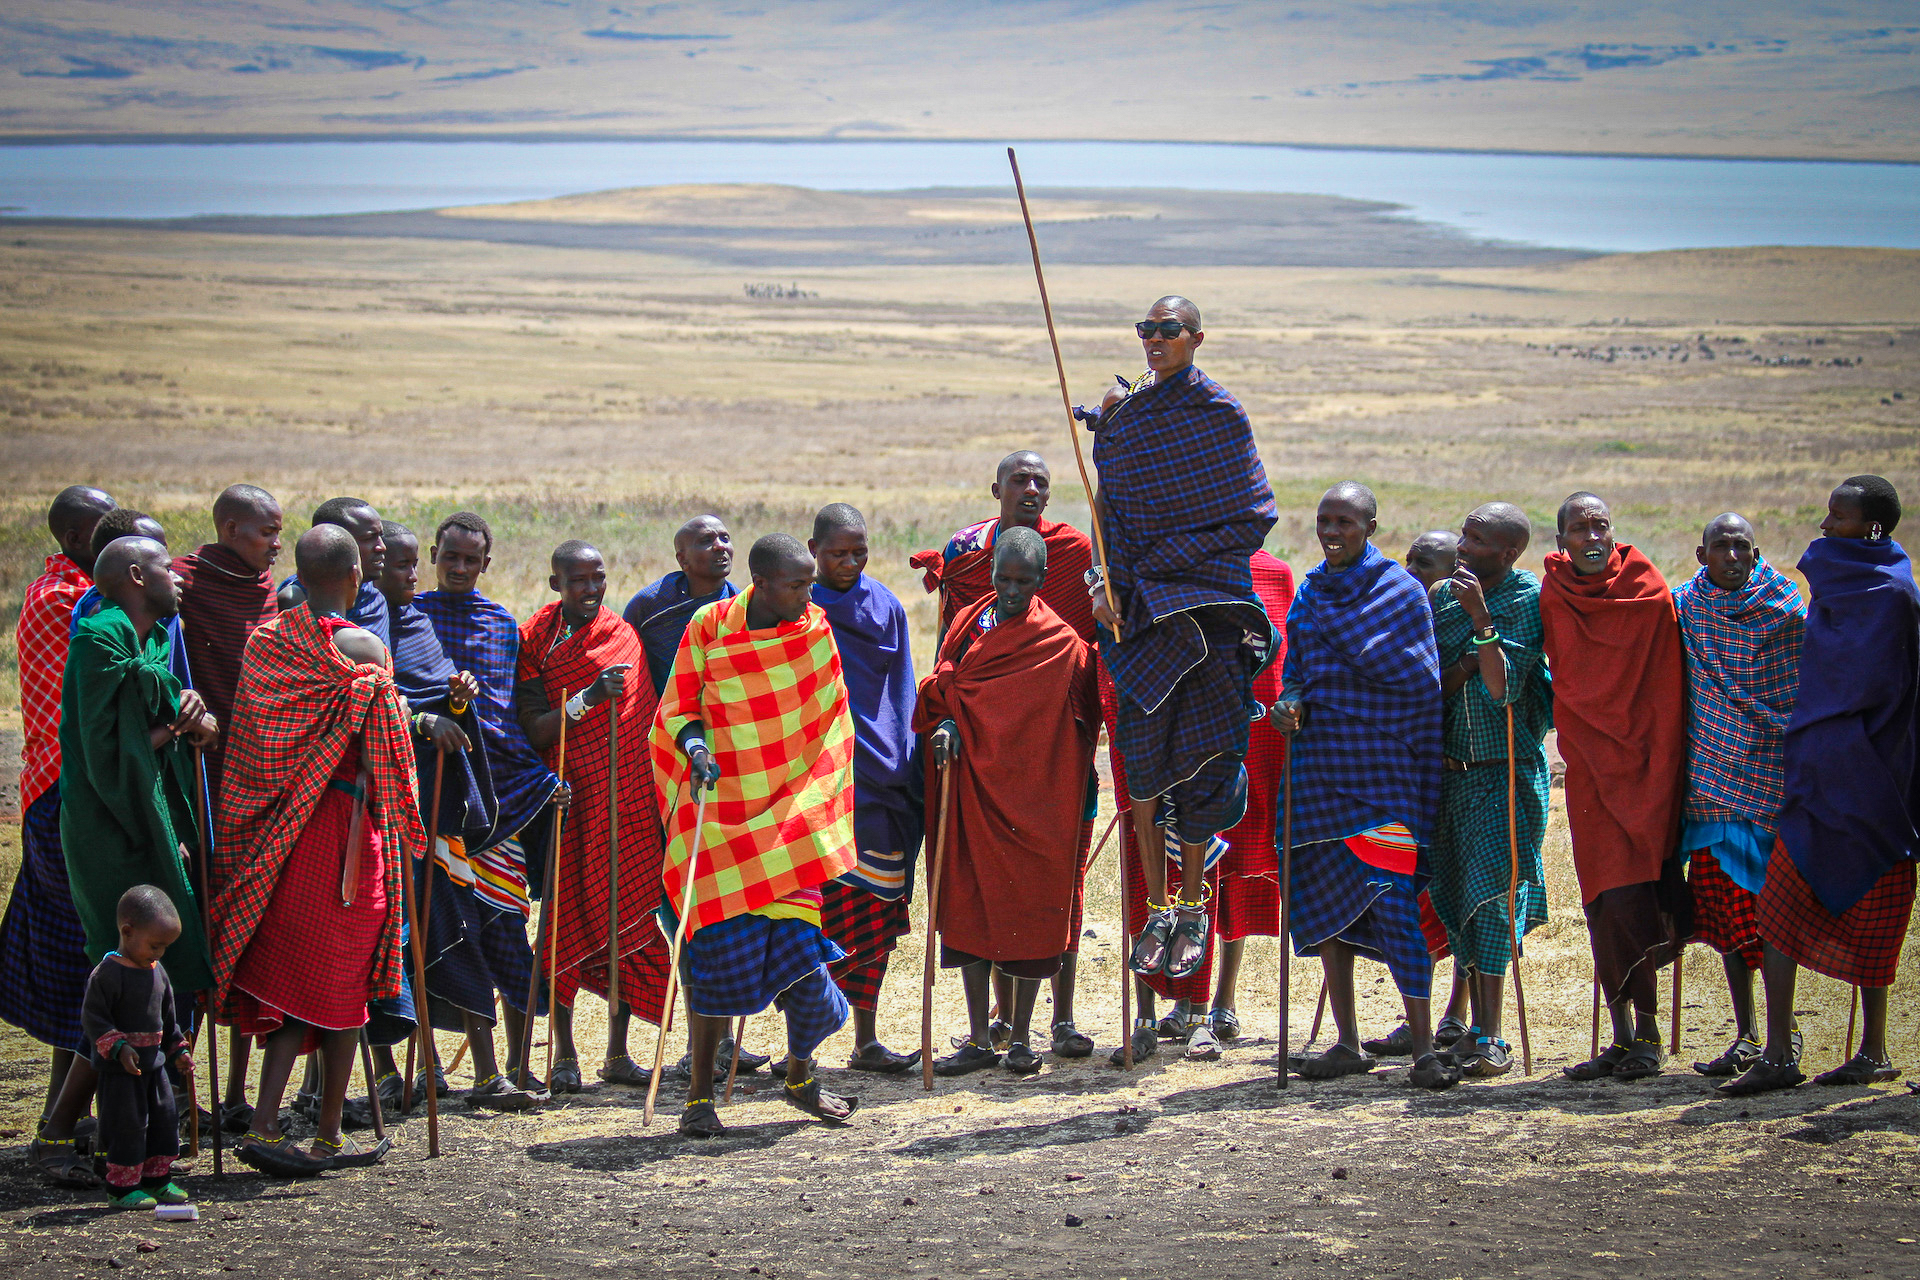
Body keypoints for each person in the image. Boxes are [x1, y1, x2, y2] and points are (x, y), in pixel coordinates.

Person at [1085, 297, 1278, 1066]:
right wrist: (1106, 579)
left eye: (1170, 332)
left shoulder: (1220, 414)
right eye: (1146, 332)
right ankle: (1155, 911)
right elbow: (1111, 507)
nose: (1156, 341)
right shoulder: (1126, 421)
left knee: (1205, 758)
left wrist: (1169, 563)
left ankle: (1192, 903)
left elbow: (1253, 513)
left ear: (1197, 339)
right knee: (1143, 754)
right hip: (1139, 611)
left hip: (1211, 601)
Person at [213, 524, 420, 1175]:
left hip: (281, 837)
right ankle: (270, 1126)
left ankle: (329, 1132)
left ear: (299, 576)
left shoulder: (266, 643)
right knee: (320, 981)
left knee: (338, 986)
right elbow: (391, 756)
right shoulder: (362, 649)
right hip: (344, 840)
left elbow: (255, 749)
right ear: (357, 577)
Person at [652, 533, 862, 1137]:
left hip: (790, 823)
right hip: (718, 820)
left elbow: (828, 723)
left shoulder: (815, 631)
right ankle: (697, 1101)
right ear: (762, 584)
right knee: (712, 966)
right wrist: (694, 745)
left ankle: (800, 1078)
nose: (808, 593)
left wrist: (811, 800)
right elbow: (678, 706)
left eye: (808, 584)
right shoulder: (710, 625)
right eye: (797, 585)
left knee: (803, 963)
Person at [1725, 477, 1919, 1095]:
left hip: (1874, 783)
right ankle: (1779, 1052)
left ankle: (1875, 1050)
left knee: (1877, 916)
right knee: (1777, 907)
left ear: (1872, 529)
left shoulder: (1893, 595)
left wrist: (1855, 754)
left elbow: (1888, 691)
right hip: (1814, 777)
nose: (1824, 524)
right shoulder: (1836, 588)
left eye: (1837, 516)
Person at [911, 450, 1101, 1060]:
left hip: (1033, 796)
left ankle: (1022, 1036)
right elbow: (944, 680)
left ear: (1045, 583)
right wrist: (943, 725)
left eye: (1024, 582)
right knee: (970, 903)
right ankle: (976, 1036)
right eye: (1004, 579)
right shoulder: (968, 620)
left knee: (1026, 904)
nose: (1012, 590)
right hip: (971, 785)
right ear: (992, 571)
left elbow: (1083, 716)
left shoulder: (1062, 642)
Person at [1270, 484, 1454, 1089]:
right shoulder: (1311, 593)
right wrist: (1289, 703)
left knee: (1394, 905)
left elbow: (1417, 684)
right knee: (1325, 912)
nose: (1332, 531)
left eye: (1344, 521)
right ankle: (1347, 1041)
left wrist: (1342, 698)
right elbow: (1295, 672)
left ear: (1371, 526)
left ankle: (1424, 1046)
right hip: (1320, 774)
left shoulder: (1400, 593)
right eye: (1324, 521)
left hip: (1381, 779)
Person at [417, 512, 567, 1102]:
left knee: (507, 935)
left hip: (497, 803)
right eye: (449, 557)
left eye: (470, 560)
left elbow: (502, 721)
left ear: (487, 563)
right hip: (434, 802)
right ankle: (434, 1068)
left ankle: (518, 1067)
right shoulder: (412, 617)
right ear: (435, 554)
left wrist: (539, 781)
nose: (458, 568)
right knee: (444, 936)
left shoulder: (502, 626)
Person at [1541, 492, 1689, 1082]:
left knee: (1639, 896)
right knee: (1603, 901)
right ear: (1562, 543)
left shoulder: (1647, 587)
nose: (1593, 537)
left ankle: (1650, 1036)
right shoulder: (1553, 592)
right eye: (1581, 529)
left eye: (1601, 525)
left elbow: (1665, 674)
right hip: (1590, 771)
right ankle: (1623, 1036)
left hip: (1648, 767)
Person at [518, 540, 671, 1091]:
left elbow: (642, 731)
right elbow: (535, 727)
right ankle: (562, 1056)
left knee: (624, 915)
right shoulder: (535, 639)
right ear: (555, 583)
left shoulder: (623, 637)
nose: (589, 589)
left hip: (624, 802)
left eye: (597, 578)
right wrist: (584, 699)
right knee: (563, 922)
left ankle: (617, 1053)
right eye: (576, 580)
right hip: (568, 803)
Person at [8, 488, 117, 1189]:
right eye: (105, 526)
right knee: (91, 960)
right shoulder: (63, 604)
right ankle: (64, 1123)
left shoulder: (81, 591)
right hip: (65, 794)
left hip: (75, 793)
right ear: (79, 533)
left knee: (89, 961)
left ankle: (68, 1117)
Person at [1672, 513, 1805, 1078]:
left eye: (1740, 546)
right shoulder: (1682, 607)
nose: (1731, 554)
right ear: (1701, 555)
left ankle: (1782, 1037)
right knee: (1722, 913)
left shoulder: (1786, 609)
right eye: (1719, 546)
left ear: (1757, 553)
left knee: (1768, 914)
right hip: (1707, 785)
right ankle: (1747, 1033)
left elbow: (1807, 685)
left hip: (1768, 778)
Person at [1425, 504, 1553, 1077]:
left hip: (1502, 770)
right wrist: (1468, 658)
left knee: (1494, 902)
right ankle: (1469, 1022)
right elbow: (1436, 683)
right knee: (1457, 900)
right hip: (1451, 771)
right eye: (1463, 533)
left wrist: (1480, 622)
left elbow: (1503, 690)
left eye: (1476, 540)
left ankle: (1492, 1036)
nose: (1462, 546)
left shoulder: (1525, 598)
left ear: (1507, 554)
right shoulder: (1439, 598)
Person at [59, 533, 217, 996]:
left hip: (153, 809)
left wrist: (187, 714)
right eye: (167, 569)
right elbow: (103, 752)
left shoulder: (156, 641)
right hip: (106, 821)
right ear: (136, 577)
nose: (178, 578)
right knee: (122, 967)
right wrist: (177, 725)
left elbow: (185, 722)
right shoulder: (98, 641)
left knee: (164, 957)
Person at [172, 483, 282, 1129]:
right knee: (198, 933)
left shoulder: (267, 592)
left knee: (245, 932)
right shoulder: (187, 585)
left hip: (258, 778)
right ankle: (185, 1094)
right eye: (265, 532)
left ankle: (238, 1093)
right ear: (230, 528)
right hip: (199, 778)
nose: (275, 543)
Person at [370, 520, 484, 1106]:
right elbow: (376, 698)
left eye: (415, 566)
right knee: (380, 932)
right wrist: (419, 719)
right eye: (399, 566)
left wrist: (456, 697)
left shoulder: (414, 622)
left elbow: (432, 692)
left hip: (425, 804)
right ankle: (383, 1066)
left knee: (425, 926)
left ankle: (428, 1062)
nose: (411, 577)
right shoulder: (360, 624)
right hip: (371, 803)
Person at [809, 504, 925, 1073]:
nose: (850, 562)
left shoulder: (886, 605)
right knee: (811, 915)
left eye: (859, 552)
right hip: (818, 780)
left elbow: (900, 685)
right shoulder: (796, 607)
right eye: (838, 553)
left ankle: (867, 1038)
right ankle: (800, 1046)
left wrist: (904, 758)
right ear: (813, 550)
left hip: (880, 777)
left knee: (875, 911)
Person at [1202, 549, 1294, 1049]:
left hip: (1266, 738)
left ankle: (1225, 996)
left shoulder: (1277, 573)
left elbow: (1289, 656)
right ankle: (1188, 999)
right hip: (1206, 737)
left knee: (1245, 867)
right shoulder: (1193, 566)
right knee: (1200, 861)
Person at [81, 886, 194, 1209]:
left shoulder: (158, 974)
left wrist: (179, 1051)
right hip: (121, 1072)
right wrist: (119, 1048)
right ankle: (121, 1187)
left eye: (164, 947)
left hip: (154, 1066)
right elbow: (94, 1020)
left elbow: (168, 1020)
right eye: (154, 945)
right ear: (127, 932)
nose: (159, 953)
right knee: (127, 1125)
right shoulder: (106, 976)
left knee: (164, 1118)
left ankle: (157, 1179)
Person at [624, 515, 738, 695]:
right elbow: (624, 656)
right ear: (683, 560)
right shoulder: (652, 603)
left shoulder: (739, 605)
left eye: (725, 538)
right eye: (706, 540)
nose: (720, 546)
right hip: (662, 715)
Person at [279, 496, 390, 646]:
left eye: (380, 536)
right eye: (370, 538)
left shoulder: (373, 597)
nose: (381, 546)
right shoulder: (299, 599)